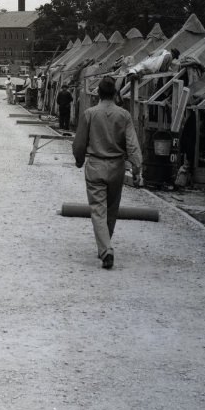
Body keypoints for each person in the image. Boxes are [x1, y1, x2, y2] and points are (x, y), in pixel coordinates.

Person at [72, 76, 142, 269]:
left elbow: (79, 143)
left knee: (98, 210)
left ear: (98, 93)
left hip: (95, 165)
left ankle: (105, 250)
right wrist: (137, 169)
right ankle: (105, 246)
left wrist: (79, 160)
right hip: (117, 167)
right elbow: (132, 145)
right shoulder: (124, 115)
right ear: (115, 94)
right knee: (111, 210)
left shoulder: (89, 114)